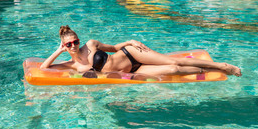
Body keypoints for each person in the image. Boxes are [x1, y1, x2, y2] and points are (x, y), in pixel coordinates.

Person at [40, 25, 242, 77]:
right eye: (68, 44)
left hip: (131, 54)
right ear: (64, 46)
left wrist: (129, 41)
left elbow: (116, 48)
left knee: (177, 62)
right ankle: (214, 72)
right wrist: (58, 51)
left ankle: (222, 65)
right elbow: (44, 67)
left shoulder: (91, 44)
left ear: (79, 40)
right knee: (172, 70)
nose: (73, 45)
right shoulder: (73, 64)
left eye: (74, 41)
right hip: (132, 72)